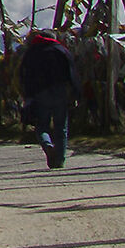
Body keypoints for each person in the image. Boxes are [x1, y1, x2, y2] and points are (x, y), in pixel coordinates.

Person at [18, 28, 83, 168]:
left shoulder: (31, 53)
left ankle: (47, 145)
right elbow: (72, 73)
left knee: (41, 126)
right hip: (61, 92)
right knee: (61, 128)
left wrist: (27, 95)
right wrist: (76, 93)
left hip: (39, 93)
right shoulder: (61, 50)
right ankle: (59, 160)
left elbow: (23, 75)